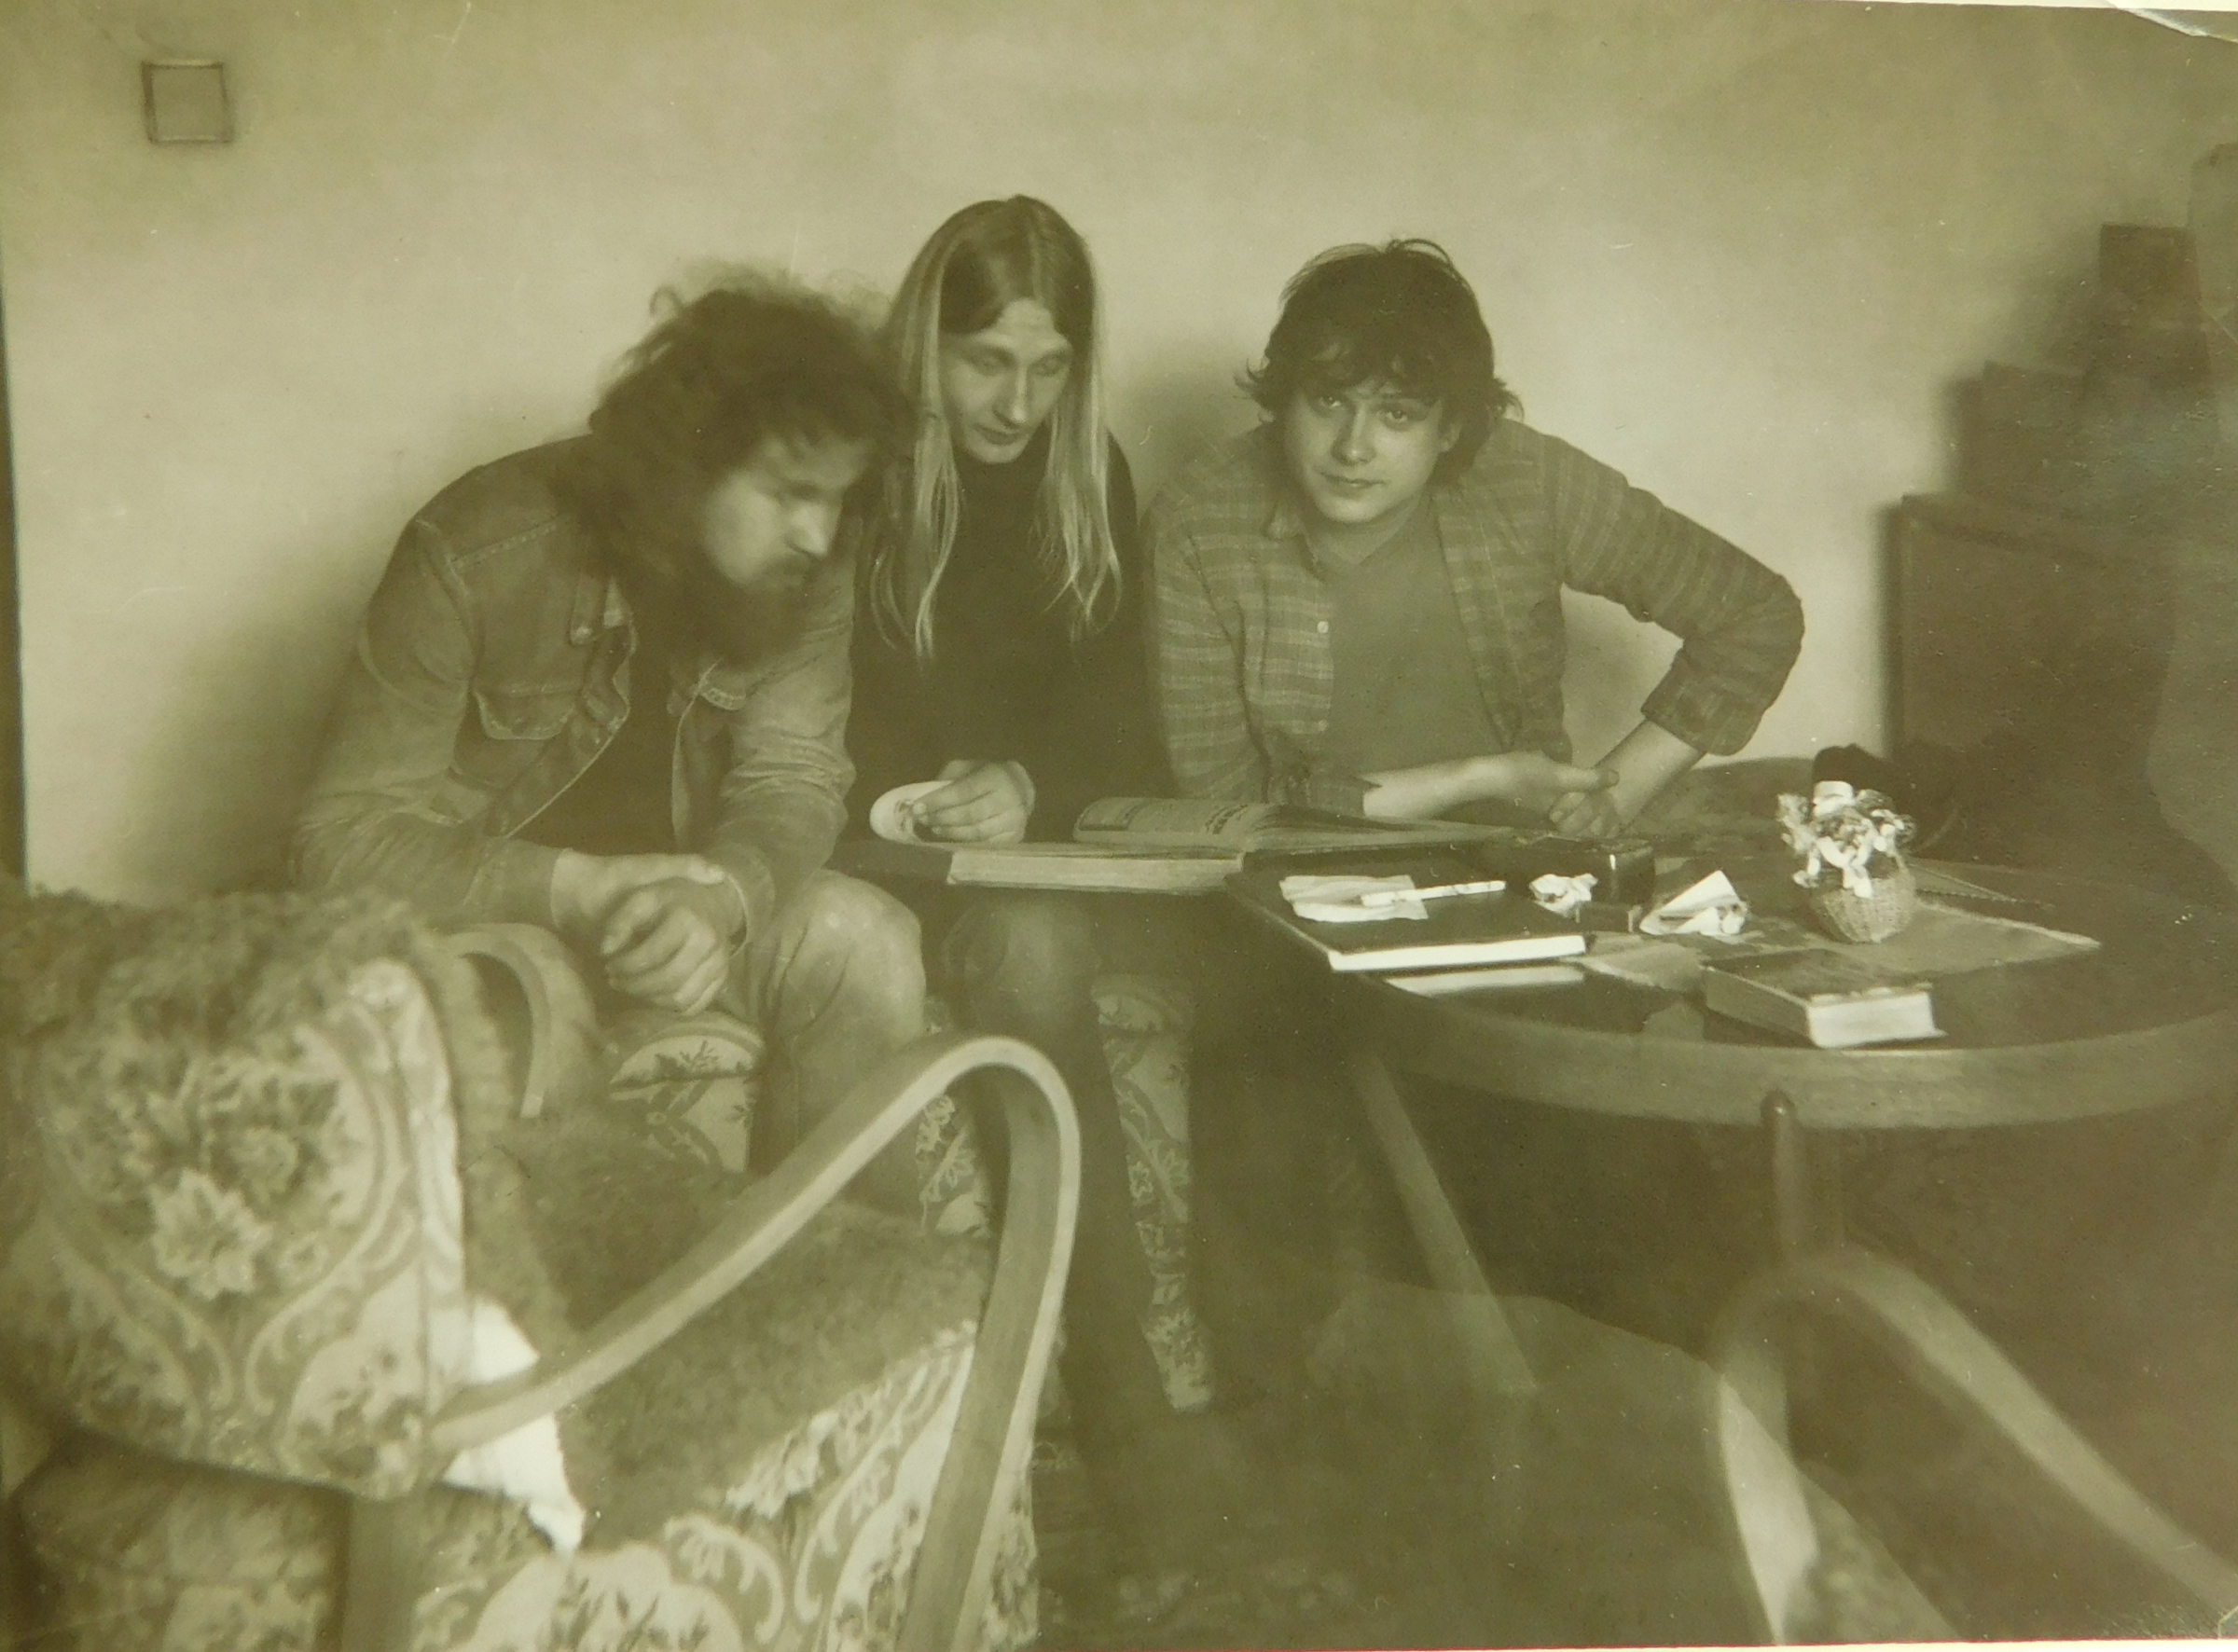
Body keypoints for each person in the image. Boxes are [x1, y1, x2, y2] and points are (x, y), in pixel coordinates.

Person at [293, 275, 926, 1196]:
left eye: (836, 498)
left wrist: (724, 898)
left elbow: (794, 776)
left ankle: (850, 1280)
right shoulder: (475, 545)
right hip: (494, 929)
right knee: (537, 986)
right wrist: (578, 889)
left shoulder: (809, 569)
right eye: (792, 493)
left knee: (864, 936)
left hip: (675, 922)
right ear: (689, 465)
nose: (819, 534)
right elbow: (338, 839)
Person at [847, 197, 1246, 1572]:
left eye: (1049, 367)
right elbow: (791, 722)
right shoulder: (859, 476)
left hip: (1016, 867)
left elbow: (1121, 730)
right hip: (868, 860)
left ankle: (1138, 1428)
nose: (1017, 403)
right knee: (1029, 947)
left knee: (1035, 940)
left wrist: (1030, 780)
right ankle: (1131, 1437)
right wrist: (907, 801)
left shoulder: (1091, 475)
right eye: (985, 363)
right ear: (926, 346)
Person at [1147, 239, 1804, 837]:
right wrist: (1476, 778)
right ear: (1286, 398)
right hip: (1290, 875)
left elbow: (1755, 613)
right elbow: (1224, 808)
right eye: (1328, 401)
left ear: (1453, 429)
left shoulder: (1527, 480)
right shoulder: (1199, 522)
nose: (1352, 447)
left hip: (1518, 865)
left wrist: (1618, 793)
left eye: (1397, 414)